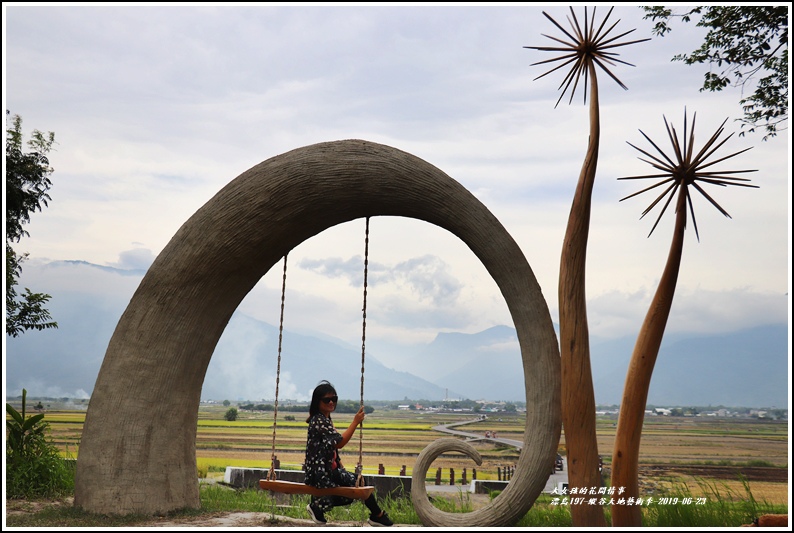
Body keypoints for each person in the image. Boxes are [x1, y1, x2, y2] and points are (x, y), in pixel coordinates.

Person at [304, 380, 393, 527]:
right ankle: (377, 515)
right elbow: (339, 442)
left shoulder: (325, 419)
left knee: (351, 493)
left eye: (334, 399)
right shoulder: (318, 420)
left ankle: (318, 507)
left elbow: (331, 449)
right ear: (317, 401)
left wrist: (339, 465)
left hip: (328, 470)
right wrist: (355, 422)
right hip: (320, 473)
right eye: (327, 400)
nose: (331, 402)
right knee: (357, 486)